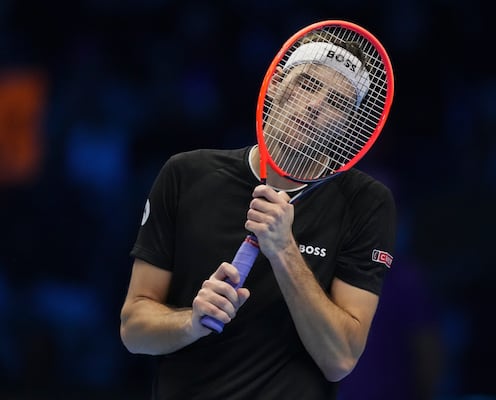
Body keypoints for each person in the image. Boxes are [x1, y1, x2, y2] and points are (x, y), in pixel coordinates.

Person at [120, 30, 397, 400]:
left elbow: (341, 357)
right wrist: (191, 322)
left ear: (348, 125)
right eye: (308, 84)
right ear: (277, 84)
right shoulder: (186, 174)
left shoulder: (366, 203)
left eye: (336, 103)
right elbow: (133, 330)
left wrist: (283, 249)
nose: (314, 105)